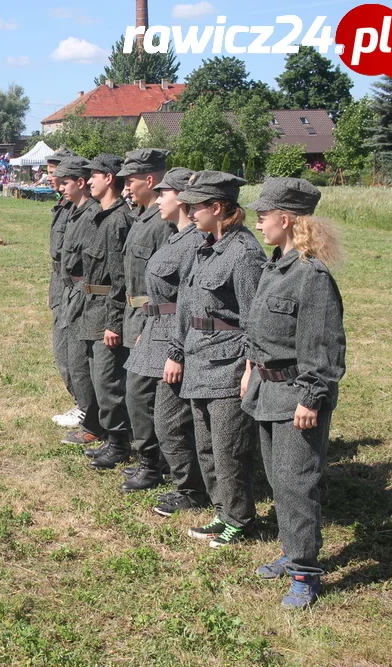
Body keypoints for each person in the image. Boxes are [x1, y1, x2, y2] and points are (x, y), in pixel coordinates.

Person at [241, 178, 346, 608]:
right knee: (278, 479)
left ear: (285, 220)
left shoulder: (311, 275)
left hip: (296, 397)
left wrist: (312, 397)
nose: (259, 221)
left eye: (263, 215)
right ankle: (291, 551)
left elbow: (324, 345)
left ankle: (304, 571)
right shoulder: (274, 266)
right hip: (267, 391)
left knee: (297, 483)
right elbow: (260, 330)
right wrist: (250, 369)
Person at [166, 171, 266, 548]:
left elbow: (256, 319)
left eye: (195, 205)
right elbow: (186, 307)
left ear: (217, 207)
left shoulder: (244, 254)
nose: (189, 212)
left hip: (229, 363)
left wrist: (251, 367)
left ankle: (239, 518)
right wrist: (178, 350)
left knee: (230, 447)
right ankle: (223, 510)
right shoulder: (205, 247)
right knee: (207, 444)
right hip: (199, 358)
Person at [125, 168, 211, 515]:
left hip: (176, 333)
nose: (158, 198)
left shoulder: (195, 242)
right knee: (138, 396)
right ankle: (156, 465)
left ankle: (189, 486)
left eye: (165, 193)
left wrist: (179, 343)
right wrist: (148, 321)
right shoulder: (176, 237)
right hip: (157, 327)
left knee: (170, 416)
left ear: (183, 198)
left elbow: (191, 298)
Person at [61, 154, 134, 467]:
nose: (88, 181)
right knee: (94, 377)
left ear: (109, 178)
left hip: (105, 310)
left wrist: (115, 322)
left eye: (94, 176)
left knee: (108, 382)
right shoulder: (102, 216)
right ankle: (109, 436)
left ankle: (118, 444)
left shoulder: (119, 220)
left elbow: (120, 280)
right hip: (89, 306)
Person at [117, 148, 174, 491]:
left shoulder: (163, 224)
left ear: (150, 180)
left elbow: (167, 281)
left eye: (131, 180)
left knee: (143, 394)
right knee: (139, 394)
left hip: (153, 317)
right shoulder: (142, 216)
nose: (126, 187)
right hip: (136, 314)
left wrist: (150, 325)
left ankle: (154, 464)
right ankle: (153, 461)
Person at [45, 147, 85, 429]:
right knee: (63, 351)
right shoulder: (64, 205)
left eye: (55, 173)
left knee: (72, 353)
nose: (51, 178)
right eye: (49, 172)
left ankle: (85, 408)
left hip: (75, 286)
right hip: (61, 284)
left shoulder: (79, 208)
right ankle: (81, 404)